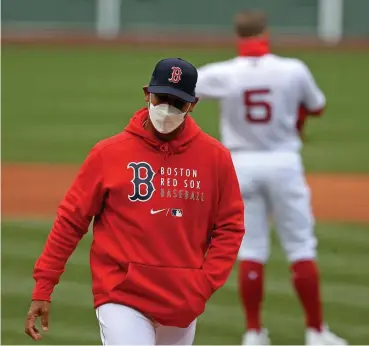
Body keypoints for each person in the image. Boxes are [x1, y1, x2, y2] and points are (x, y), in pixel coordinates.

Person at [25, 57, 245, 345]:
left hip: (182, 298)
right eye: (161, 97)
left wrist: (203, 283)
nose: (166, 108)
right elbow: (71, 220)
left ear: (193, 104)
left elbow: (230, 227)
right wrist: (44, 286)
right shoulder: (109, 153)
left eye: (177, 102)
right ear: (146, 94)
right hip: (120, 293)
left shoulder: (215, 158)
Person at [195, 10, 348, 346]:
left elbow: (182, 90)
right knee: (300, 246)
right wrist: (295, 124)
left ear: (237, 36)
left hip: (241, 165)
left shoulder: (222, 73)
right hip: (283, 162)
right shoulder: (292, 69)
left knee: (251, 248)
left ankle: (253, 333)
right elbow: (316, 106)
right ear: (266, 33)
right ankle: (317, 332)